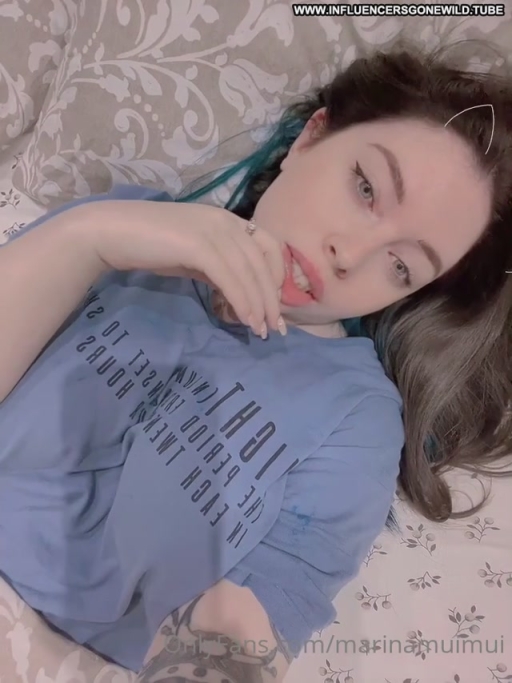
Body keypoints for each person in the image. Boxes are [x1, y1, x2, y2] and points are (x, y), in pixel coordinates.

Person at [0, 45, 512, 683]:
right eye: (365, 188)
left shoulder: (356, 419)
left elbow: (246, 626)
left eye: (401, 265)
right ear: (312, 137)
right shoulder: (124, 232)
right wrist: (89, 238)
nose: (349, 254)